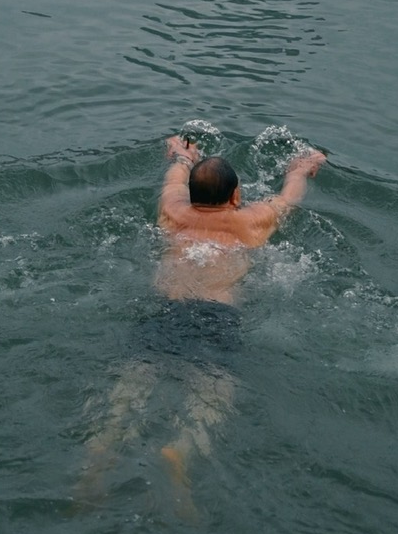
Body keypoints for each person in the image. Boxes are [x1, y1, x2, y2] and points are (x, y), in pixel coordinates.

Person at [78, 135, 325, 513]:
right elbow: (290, 197)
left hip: (165, 311)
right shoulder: (251, 221)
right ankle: (180, 449)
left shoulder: (173, 211)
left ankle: (98, 456)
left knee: (129, 387)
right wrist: (302, 166)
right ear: (236, 195)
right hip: (216, 317)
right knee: (211, 393)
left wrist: (182, 155)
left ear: (191, 193)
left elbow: (174, 178)